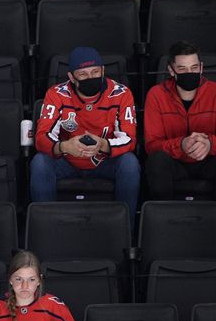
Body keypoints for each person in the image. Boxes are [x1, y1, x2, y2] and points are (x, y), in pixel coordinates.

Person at [30, 46, 140, 229]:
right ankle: (45, 229)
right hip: (67, 161)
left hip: (103, 160)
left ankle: (126, 232)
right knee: (39, 162)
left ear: (103, 71)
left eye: (95, 72)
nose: (91, 78)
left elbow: (130, 138)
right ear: (72, 77)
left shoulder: (121, 93)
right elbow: (42, 137)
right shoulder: (56, 94)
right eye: (83, 74)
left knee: (129, 163)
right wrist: (64, 147)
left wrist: (103, 145)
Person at [143, 40, 216, 202]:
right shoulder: (156, 95)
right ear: (171, 70)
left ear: (201, 68)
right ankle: (164, 219)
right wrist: (181, 144)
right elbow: (151, 145)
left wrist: (209, 144)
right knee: (156, 160)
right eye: (182, 69)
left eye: (194, 68)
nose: (190, 72)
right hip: (175, 163)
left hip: (209, 161)